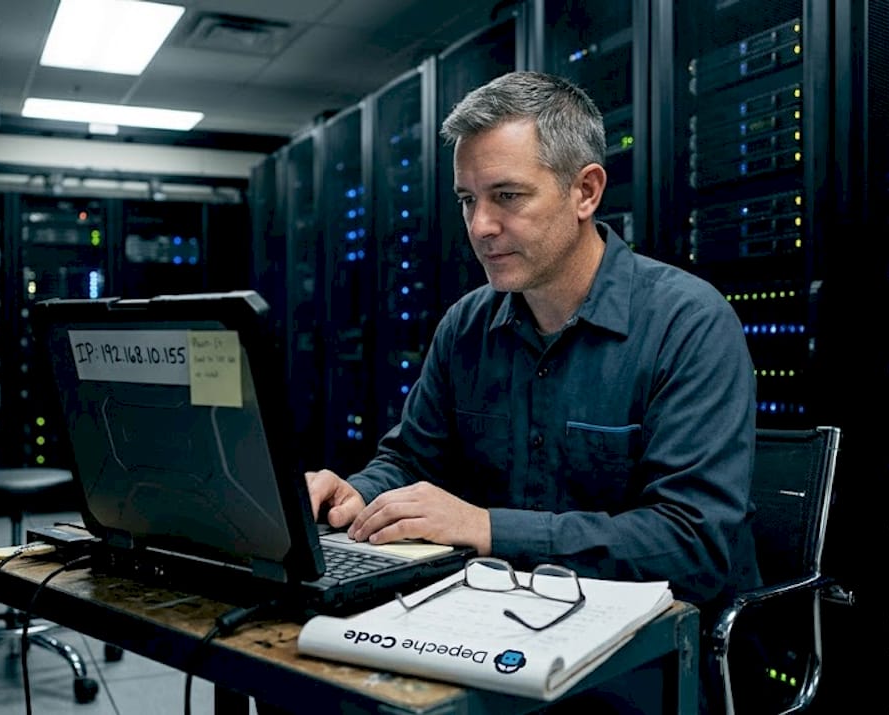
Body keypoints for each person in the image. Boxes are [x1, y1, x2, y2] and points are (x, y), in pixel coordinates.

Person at [306, 70, 760, 713]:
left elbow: (693, 546)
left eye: (508, 196)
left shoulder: (687, 323)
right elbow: (411, 460)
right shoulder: (467, 325)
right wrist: (359, 494)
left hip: (648, 661)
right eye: (467, 200)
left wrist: (488, 528)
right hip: (494, 630)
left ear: (586, 190)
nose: (481, 226)